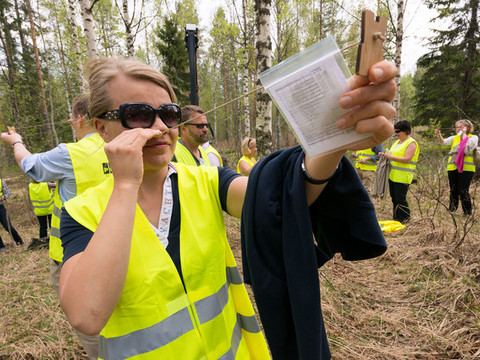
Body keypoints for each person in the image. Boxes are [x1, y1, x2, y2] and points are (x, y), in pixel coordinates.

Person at [57, 57, 397, 359]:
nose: (160, 127)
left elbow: (282, 197)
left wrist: (333, 138)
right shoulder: (81, 212)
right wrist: (126, 185)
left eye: (169, 114)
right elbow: (86, 315)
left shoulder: (206, 182)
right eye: (138, 115)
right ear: (101, 127)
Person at [0, 93, 109, 359]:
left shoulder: (72, 153)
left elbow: (29, 165)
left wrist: (16, 141)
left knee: (87, 319)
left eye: (72, 119)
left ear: (81, 118)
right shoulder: (120, 146)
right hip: (118, 248)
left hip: (73, 256)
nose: (72, 123)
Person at [435, 120, 478, 215]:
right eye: (457, 127)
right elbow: (443, 142)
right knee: (453, 190)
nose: (458, 129)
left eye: (461, 127)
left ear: (467, 128)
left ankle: (467, 212)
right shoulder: (454, 138)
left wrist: (463, 135)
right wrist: (439, 135)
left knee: (463, 190)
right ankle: (452, 210)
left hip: (467, 169)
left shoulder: (473, 137)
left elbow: (469, 145)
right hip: (453, 167)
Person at [379, 121, 420, 223]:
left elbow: (407, 159)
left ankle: (405, 219)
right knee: (394, 198)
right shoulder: (397, 142)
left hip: (403, 176)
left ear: (406, 131)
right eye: (395, 131)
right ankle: (397, 218)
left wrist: (390, 156)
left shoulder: (411, 143)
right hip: (393, 175)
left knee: (400, 199)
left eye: (398, 131)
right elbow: (393, 156)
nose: (396, 133)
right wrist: (384, 155)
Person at [0, 179, 24, 251]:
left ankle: (19, 241)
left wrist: (2, 197)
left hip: (1, 208)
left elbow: (7, 193)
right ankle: (1, 247)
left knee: (8, 226)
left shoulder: (1, 182)